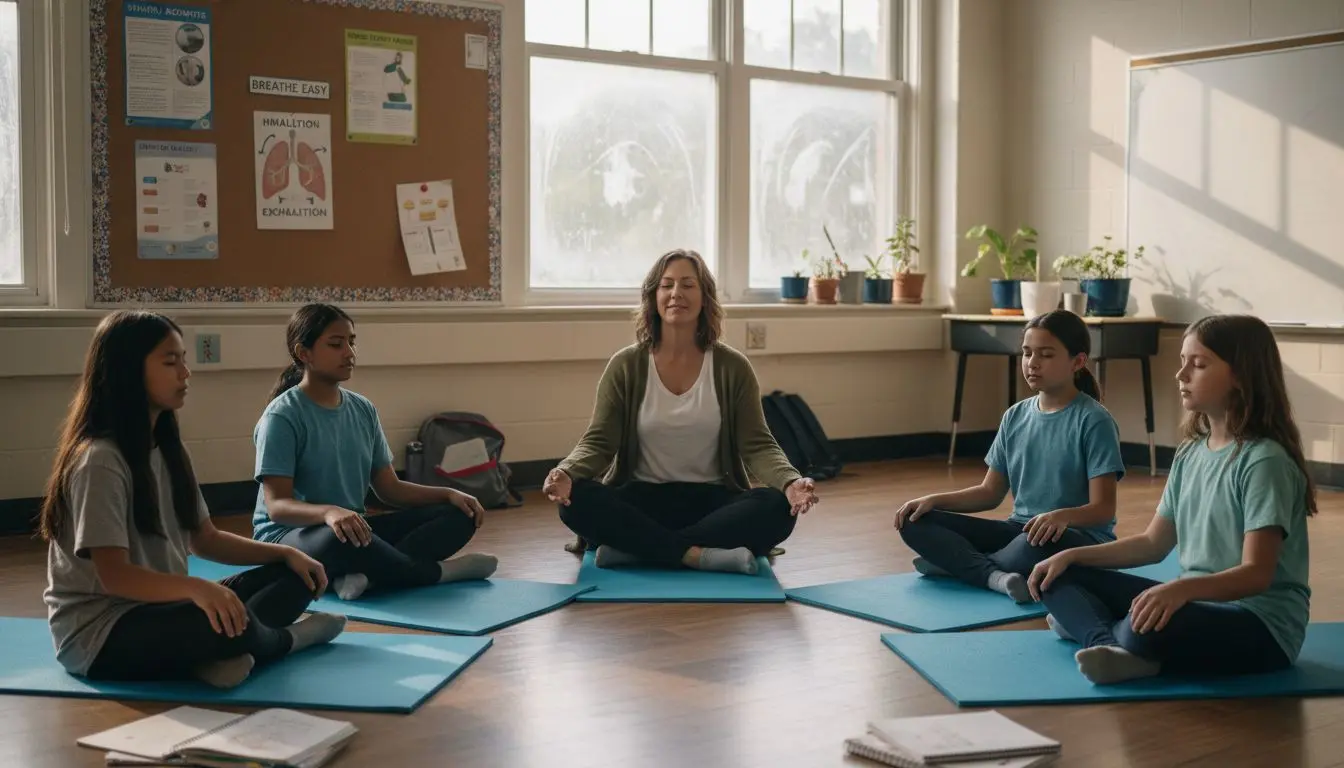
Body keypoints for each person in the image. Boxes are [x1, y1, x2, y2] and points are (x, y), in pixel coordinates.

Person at [42, 311, 346, 689]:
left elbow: (204, 539)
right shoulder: (100, 459)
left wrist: (284, 554)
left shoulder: (168, 448)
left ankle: (213, 658)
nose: (185, 373)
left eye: (184, 360)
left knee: (296, 576)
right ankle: (293, 639)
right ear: (126, 370)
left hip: (168, 609)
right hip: (104, 632)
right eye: (171, 362)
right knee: (220, 620)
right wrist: (198, 588)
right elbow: (114, 576)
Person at [1029, 314, 1314, 685]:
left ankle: (1106, 634)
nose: (1181, 375)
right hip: (1194, 601)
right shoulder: (1191, 452)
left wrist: (1179, 589)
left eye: (1198, 364)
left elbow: (1256, 575)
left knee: (1146, 625)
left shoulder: (1265, 462)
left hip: (1258, 626)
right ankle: (1115, 644)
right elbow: (1152, 544)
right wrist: (1071, 554)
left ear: (1242, 375)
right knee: (1057, 577)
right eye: (1183, 362)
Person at [542, 249, 819, 575]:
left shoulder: (733, 367)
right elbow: (599, 441)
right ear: (653, 296)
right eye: (667, 284)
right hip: (641, 501)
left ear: (704, 298)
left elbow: (757, 444)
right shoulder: (626, 366)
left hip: (712, 502)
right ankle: (696, 555)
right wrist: (567, 472)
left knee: (776, 508)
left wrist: (790, 483)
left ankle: (640, 551)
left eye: (688, 284)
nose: (676, 293)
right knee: (578, 500)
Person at [252, 303, 496, 601]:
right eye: (336, 344)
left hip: (352, 529)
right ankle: (439, 573)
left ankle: (366, 576)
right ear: (305, 354)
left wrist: (447, 494)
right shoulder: (282, 417)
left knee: (459, 515)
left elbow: (390, 489)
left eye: (351, 342)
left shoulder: (362, 409)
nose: (350, 353)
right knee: (337, 540)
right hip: (292, 537)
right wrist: (329, 512)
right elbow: (277, 506)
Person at [894, 309, 1125, 602]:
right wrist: (932, 500)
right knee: (914, 521)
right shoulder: (1014, 416)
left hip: (1072, 537)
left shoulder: (1094, 421)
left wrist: (1059, 516)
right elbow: (989, 493)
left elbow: (1103, 509)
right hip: (1018, 530)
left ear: (1077, 362)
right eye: (1027, 353)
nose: (1033, 363)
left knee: (1034, 545)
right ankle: (993, 575)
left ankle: (961, 565)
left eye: (1046, 355)